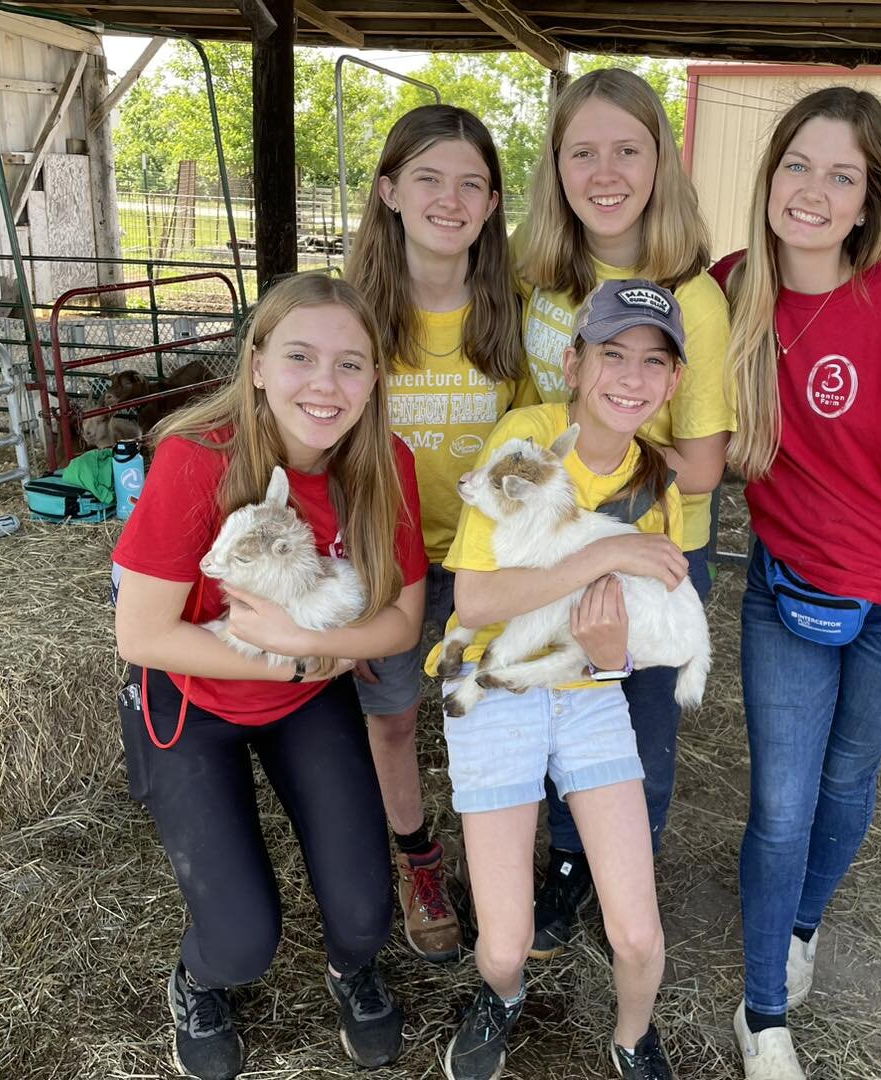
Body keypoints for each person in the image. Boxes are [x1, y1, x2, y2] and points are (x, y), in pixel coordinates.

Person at [709, 87, 881, 1080]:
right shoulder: (730, 287)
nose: (813, 192)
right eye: (798, 166)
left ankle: (804, 923)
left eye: (841, 176)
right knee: (779, 802)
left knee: (847, 777)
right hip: (785, 594)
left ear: (869, 201)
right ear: (770, 175)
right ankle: (764, 1015)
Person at [112, 273, 428, 1079]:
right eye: (299, 357)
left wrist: (327, 653)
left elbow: (402, 621)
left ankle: (350, 966)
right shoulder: (197, 461)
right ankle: (198, 979)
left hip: (305, 695)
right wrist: (290, 655)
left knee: (365, 917)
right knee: (242, 942)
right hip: (194, 694)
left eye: (350, 364)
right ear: (255, 364)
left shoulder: (385, 465)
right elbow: (140, 633)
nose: (325, 385)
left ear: (375, 378)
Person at [432, 279, 693, 1080]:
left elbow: (640, 642)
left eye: (654, 362)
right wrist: (607, 552)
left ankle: (631, 1035)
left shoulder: (657, 487)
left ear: (674, 381)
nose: (631, 377)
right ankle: (500, 998)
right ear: (575, 363)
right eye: (613, 354)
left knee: (639, 936)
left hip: (586, 696)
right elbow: (475, 599)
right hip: (492, 681)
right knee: (503, 946)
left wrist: (614, 657)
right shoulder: (527, 441)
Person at [515, 66, 733, 957]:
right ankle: (569, 864)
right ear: (556, 168)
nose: (605, 172)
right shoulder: (542, 281)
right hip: (552, 543)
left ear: (661, 161)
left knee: (634, 730)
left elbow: (707, 464)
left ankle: (625, 884)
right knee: (561, 709)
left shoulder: (693, 295)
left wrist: (594, 472)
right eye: (582, 152)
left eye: (628, 150)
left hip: (650, 550)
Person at [343, 103, 527, 963]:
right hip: (391, 560)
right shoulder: (353, 318)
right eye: (427, 178)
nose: (448, 200)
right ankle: (418, 858)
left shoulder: (515, 318)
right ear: (388, 191)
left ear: (492, 205)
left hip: (485, 560)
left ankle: (500, 872)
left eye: (470, 184)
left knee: (491, 714)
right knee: (391, 719)